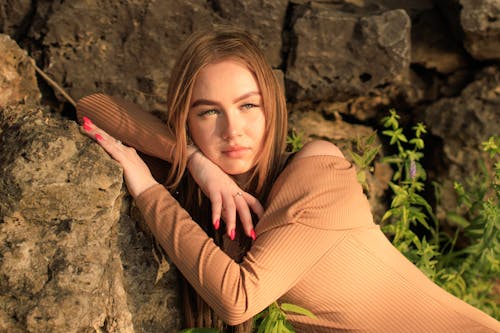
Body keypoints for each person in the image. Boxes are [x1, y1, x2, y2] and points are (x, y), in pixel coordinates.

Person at [77, 29, 500, 332]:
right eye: (208, 112)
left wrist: (149, 190)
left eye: (247, 106)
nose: (233, 130)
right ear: (185, 121)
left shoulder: (319, 170)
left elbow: (237, 300)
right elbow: (90, 105)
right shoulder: (212, 194)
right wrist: (192, 160)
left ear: (271, 108)